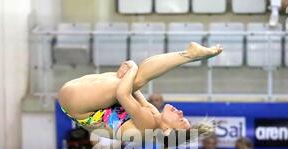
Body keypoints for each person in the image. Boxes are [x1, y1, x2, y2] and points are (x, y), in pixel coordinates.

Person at [58, 42, 221, 143]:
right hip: (79, 100)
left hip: (77, 104)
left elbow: (123, 94)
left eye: (180, 119)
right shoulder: (153, 115)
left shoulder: (148, 126)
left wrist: (132, 66)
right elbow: (133, 91)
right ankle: (188, 54)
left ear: (167, 130)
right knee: (134, 80)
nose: (180, 112)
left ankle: (189, 54)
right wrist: (130, 69)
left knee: (134, 79)